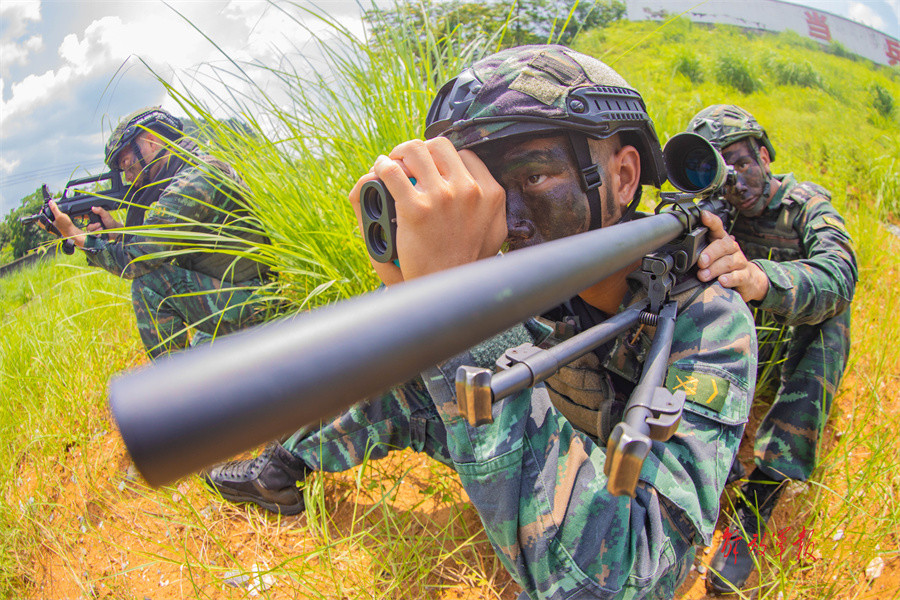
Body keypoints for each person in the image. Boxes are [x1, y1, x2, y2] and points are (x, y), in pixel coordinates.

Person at [206, 46, 758, 598]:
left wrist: (463, 313)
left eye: (536, 177)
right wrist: (418, 299)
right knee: (407, 375)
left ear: (622, 176)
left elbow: (641, 574)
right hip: (550, 426)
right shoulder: (520, 271)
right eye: (486, 188)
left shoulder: (709, 316)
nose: (508, 220)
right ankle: (284, 464)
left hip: (616, 483)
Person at [688, 104, 858, 594]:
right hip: (744, 343)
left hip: (789, 341)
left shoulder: (806, 204)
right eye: (719, 171)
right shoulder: (719, 212)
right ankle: (711, 456)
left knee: (831, 319)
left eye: (741, 162)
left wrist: (763, 279)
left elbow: (839, 274)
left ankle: (761, 492)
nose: (735, 180)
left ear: (763, 155)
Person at [43, 107, 272, 358]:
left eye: (129, 166)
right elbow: (158, 244)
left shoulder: (192, 182)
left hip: (258, 304)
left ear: (151, 142)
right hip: (247, 295)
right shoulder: (195, 169)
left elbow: (137, 262)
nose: (130, 178)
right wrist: (119, 233)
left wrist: (75, 234)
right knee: (202, 353)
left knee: (149, 285)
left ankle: (177, 392)